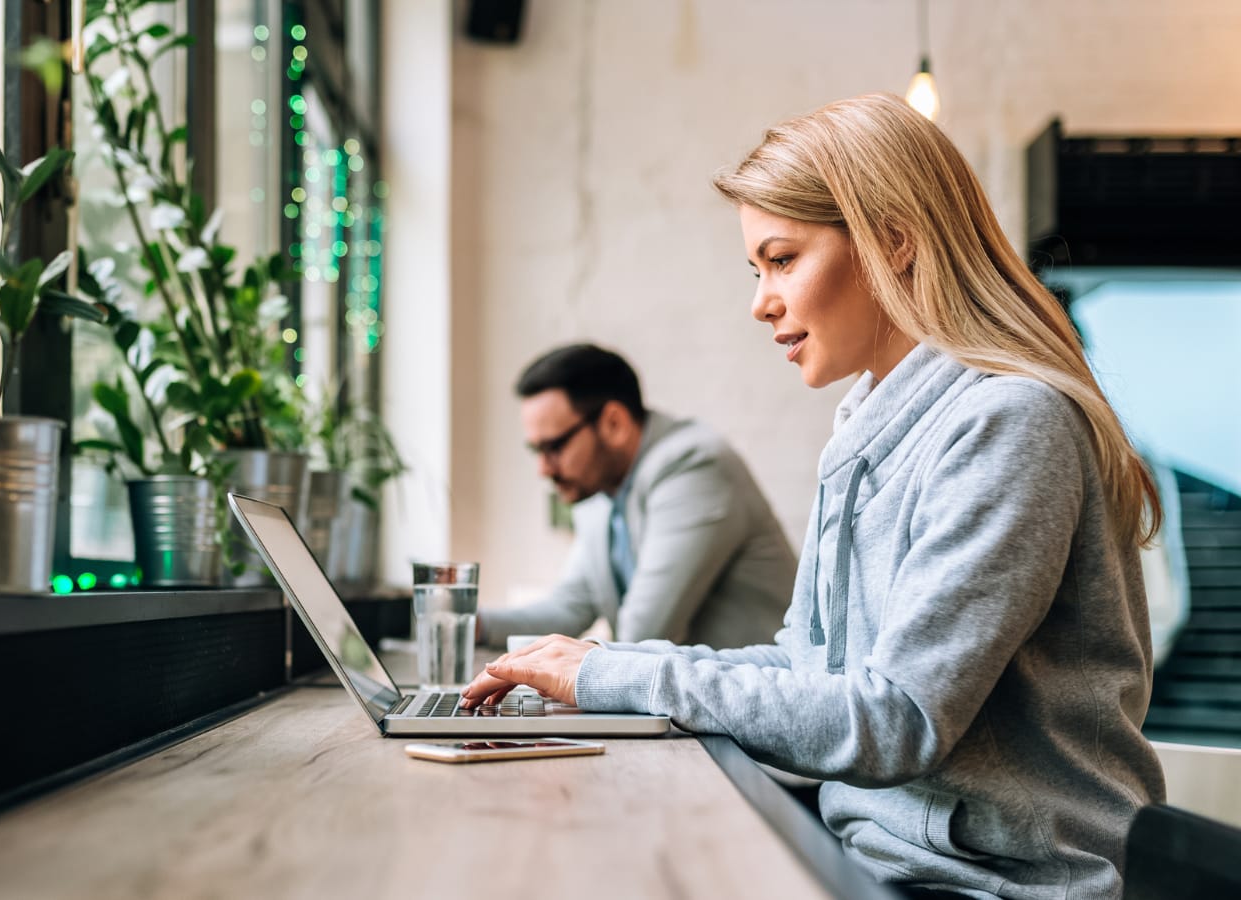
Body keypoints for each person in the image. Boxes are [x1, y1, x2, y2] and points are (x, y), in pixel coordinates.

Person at [463, 94, 1166, 900]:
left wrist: (611, 677)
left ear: (893, 240)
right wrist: (604, 663)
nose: (760, 300)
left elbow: (897, 719)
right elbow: (807, 665)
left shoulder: (1011, 421)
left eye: (782, 259)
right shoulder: (863, 428)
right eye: (755, 269)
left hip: (994, 886)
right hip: (876, 858)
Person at [477, 343, 797, 650]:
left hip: (761, 697)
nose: (543, 469)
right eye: (536, 450)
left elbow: (645, 635)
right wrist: (466, 623)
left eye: (554, 448)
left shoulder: (693, 467)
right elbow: (568, 609)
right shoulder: (600, 493)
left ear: (614, 423)